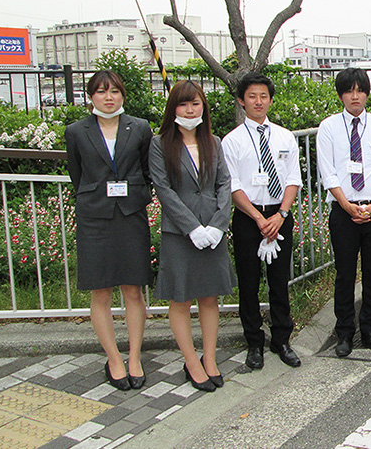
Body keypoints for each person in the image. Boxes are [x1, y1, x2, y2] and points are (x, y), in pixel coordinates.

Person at [65, 70, 152, 391]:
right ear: (91, 96)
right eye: (101, 91)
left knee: (132, 289)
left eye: (114, 90)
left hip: (130, 215)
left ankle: (134, 356)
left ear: (122, 95)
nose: (108, 96)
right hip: (95, 219)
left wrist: (134, 194)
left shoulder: (140, 127)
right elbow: (78, 175)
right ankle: (113, 358)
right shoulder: (76, 132)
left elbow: (146, 170)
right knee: (100, 290)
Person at [149, 81, 236, 392]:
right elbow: (164, 190)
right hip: (180, 233)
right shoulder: (160, 144)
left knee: (210, 297)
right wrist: (192, 227)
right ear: (174, 108)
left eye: (196, 104)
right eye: (184, 104)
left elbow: (225, 185)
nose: (190, 110)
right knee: (181, 298)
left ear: (203, 108)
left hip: (213, 230)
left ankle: (209, 358)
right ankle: (190, 361)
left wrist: (217, 224)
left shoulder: (213, 141)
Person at [222, 72, 303, 370]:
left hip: (280, 215)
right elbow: (233, 186)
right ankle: (253, 341)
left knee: (279, 281)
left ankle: (281, 339)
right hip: (248, 218)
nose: (258, 101)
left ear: (270, 99)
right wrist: (259, 218)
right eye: (252, 96)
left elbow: (294, 178)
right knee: (249, 281)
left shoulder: (284, 136)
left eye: (263, 96)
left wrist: (280, 214)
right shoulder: (231, 141)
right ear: (242, 101)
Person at [317, 67, 371, 358]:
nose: (354, 95)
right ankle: (345, 333)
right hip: (343, 210)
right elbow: (328, 172)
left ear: (366, 93)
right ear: (340, 95)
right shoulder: (328, 127)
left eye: (360, 89)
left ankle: (370, 329)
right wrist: (346, 204)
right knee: (345, 274)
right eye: (348, 90)